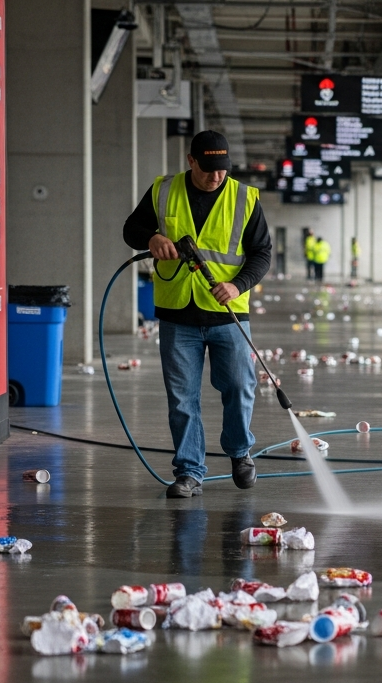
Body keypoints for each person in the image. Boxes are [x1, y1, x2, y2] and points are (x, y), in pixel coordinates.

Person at [122, 130, 272, 498]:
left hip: (227, 313)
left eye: (222, 169)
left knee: (239, 387)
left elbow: (262, 254)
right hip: (177, 313)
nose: (215, 177)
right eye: (208, 169)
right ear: (191, 161)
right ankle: (189, 472)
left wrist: (237, 285)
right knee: (182, 397)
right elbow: (132, 228)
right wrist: (151, 239)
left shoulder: (244, 198)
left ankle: (239, 452)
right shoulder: (163, 189)